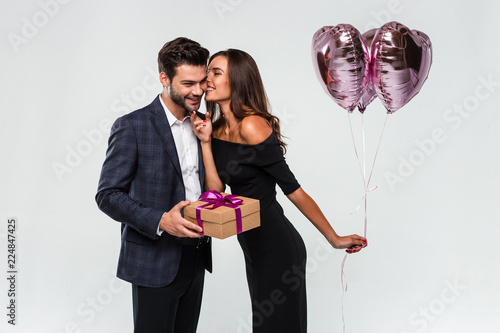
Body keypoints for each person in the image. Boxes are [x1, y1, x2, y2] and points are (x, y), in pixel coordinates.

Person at [191, 49, 367, 333]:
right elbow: (216, 191)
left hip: (278, 247)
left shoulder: (252, 125)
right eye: (208, 71)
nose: (206, 78)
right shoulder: (218, 128)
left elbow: (293, 189)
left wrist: (333, 238)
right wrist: (205, 143)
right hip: (252, 244)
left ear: (237, 80)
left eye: (216, 72)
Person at [95, 37, 211, 333]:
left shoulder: (203, 123)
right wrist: (161, 220)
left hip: (197, 254)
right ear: (164, 78)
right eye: (188, 84)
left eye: (201, 81)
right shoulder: (132, 126)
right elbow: (107, 195)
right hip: (154, 257)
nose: (198, 91)